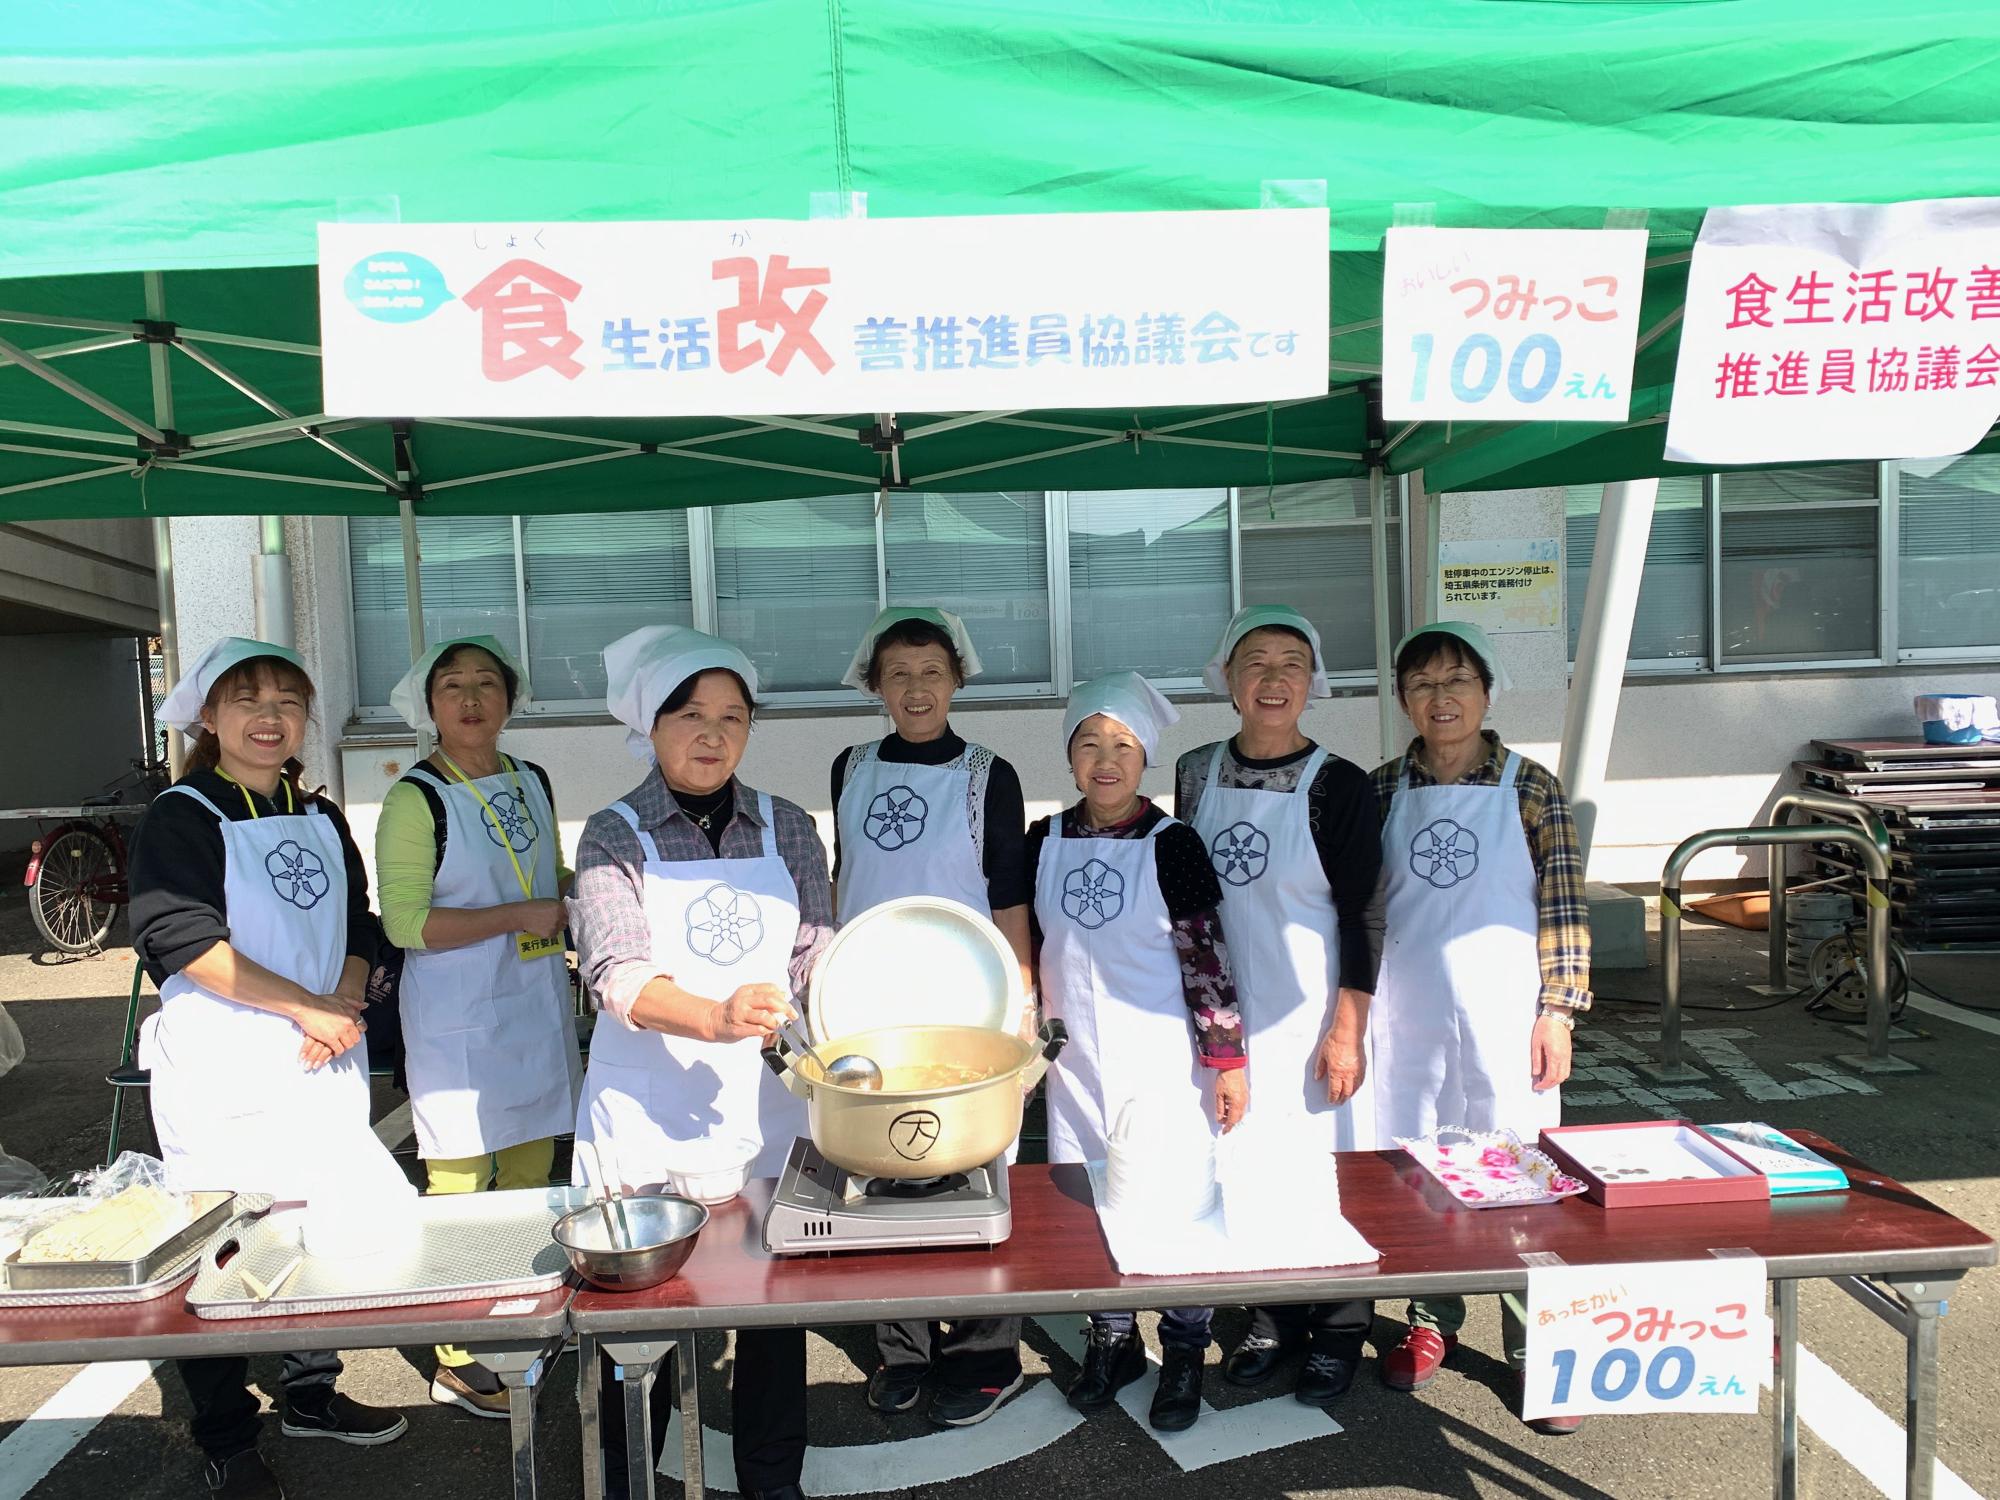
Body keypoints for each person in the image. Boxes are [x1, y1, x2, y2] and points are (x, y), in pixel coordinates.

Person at [131, 638, 407, 1500]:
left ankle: (310, 1392)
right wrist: (305, 1007)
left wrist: (345, 1000)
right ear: (207, 718)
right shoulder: (183, 814)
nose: (270, 715)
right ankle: (224, 1434)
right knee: (218, 1247)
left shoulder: (318, 814)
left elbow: (361, 921)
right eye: (247, 699)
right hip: (227, 1068)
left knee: (315, 1224)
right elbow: (181, 942)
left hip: (321, 1052)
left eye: (289, 699)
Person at [570, 624, 833, 1500]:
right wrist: (716, 1015)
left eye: (731, 716)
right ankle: (626, 1477)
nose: (712, 733)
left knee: (771, 1305)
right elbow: (616, 973)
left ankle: (771, 1476)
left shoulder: (788, 826)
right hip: (649, 1111)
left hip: (766, 1110)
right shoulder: (612, 835)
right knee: (634, 1317)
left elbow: (811, 958)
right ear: (651, 725)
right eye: (689, 713)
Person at [1369, 622, 1586, 1437]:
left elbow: (1564, 905)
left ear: (1486, 692)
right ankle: (1433, 1320)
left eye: (1456, 680)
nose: (1441, 698)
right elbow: (1365, 908)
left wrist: (1557, 1008)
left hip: (1507, 1014)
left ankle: (1539, 1348)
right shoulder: (1382, 787)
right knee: (1427, 1167)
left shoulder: (1532, 787)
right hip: (1410, 1014)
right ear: (1403, 701)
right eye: (1422, 684)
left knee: (1523, 1172)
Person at [1173, 605, 1384, 1409]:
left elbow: (1365, 911)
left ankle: (1337, 1328)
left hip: (1312, 1009)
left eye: (1291, 662)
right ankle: (1269, 1315)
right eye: (1254, 662)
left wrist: (1347, 1025)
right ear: (1227, 680)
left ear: (1312, 680)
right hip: (1225, 1010)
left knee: (1324, 1168)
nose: (1272, 678)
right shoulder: (1196, 771)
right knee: (1244, 1161)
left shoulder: (1340, 782)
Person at [829, 606, 1035, 1428]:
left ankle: (985, 1353)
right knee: (884, 1172)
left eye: (932, 672)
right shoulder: (850, 765)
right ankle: (903, 1348)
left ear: (957, 679)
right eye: (899, 673)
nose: (917, 689)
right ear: (875, 684)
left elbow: (1010, 892)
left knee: (978, 1167)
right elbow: (849, 876)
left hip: (967, 997)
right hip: (870, 1000)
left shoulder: (992, 773)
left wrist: (1020, 999)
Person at [1030, 672, 1246, 1433]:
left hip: (1162, 1061)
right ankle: (1112, 1338)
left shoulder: (1173, 843)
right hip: (1076, 1065)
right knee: (1088, 1199)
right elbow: (1028, 948)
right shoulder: (1043, 839)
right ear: (1070, 758)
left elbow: (1207, 958)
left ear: (1145, 758)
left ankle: (1185, 1347)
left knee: (1177, 1202)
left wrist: (1227, 1062)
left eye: (1122, 745)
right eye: (1089, 744)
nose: (1105, 760)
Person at [376, 636, 581, 1418]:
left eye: (486, 684)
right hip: (457, 1013)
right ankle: (460, 1354)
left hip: (530, 999)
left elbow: (544, 872)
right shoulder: (416, 797)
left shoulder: (532, 779)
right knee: (460, 1183)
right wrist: (517, 916)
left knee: (531, 1171)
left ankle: (519, 1319)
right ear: (428, 705)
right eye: (453, 686)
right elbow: (404, 923)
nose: (470, 699)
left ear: (509, 698)